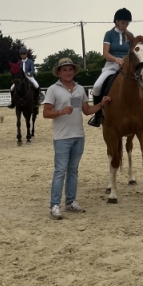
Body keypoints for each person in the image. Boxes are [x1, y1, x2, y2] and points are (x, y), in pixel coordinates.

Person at [43, 57, 111, 220]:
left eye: (70, 69)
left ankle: (71, 201)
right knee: (60, 171)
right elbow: (46, 113)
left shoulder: (80, 89)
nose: (68, 72)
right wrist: (60, 112)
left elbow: (87, 110)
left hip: (78, 135)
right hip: (61, 137)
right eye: (64, 70)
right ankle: (54, 205)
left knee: (73, 170)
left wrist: (101, 104)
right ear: (59, 72)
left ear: (74, 71)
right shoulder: (53, 89)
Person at [88, 7, 143, 128]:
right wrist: (116, 60)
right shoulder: (109, 34)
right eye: (122, 23)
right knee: (97, 86)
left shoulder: (130, 35)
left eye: (127, 23)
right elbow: (105, 53)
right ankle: (98, 115)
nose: (125, 25)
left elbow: (135, 52)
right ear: (116, 22)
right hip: (111, 66)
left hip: (128, 67)